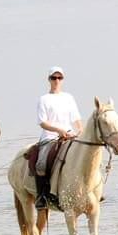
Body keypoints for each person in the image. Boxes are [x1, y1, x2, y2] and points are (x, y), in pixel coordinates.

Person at [34, 66, 82, 210]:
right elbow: (42, 122)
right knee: (41, 164)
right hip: (50, 137)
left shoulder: (68, 98)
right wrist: (59, 130)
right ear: (49, 80)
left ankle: (92, 190)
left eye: (59, 78)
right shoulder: (44, 99)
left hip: (70, 135)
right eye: (54, 78)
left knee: (86, 155)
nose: (57, 80)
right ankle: (42, 196)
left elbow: (76, 118)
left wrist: (80, 130)